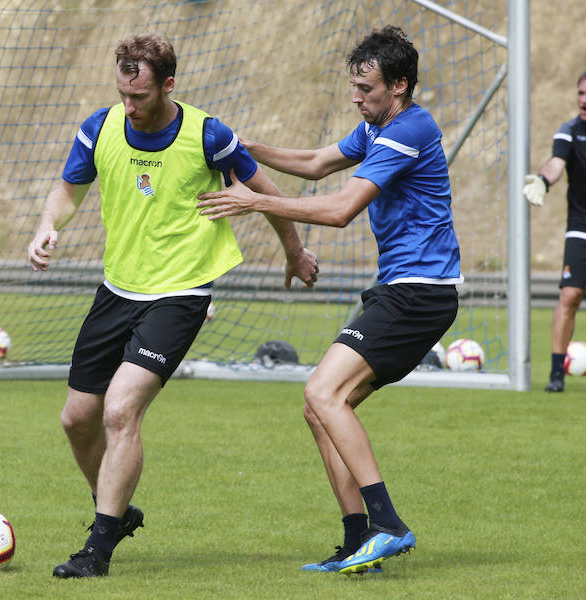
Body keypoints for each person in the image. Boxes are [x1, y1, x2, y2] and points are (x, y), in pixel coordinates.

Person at [27, 32, 318, 578]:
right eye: (122, 94)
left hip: (181, 293)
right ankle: (116, 508)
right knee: (77, 420)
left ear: (168, 85)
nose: (129, 106)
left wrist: (294, 251)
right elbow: (67, 191)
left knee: (120, 410)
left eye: (139, 96)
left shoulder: (209, 135)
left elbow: (268, 191)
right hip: (117, 289)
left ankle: (98, 550)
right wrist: (47, 226)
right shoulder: (99, 127)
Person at [197, 25, 462, 574]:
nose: (356, 97)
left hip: (419, 293)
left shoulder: (407, 130)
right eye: (354, 86)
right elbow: (316, 162)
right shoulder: (378, 126)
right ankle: (357, 539)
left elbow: (341, 208)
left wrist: (253, 202)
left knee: (322, 391)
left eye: (366, 88)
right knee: (320, 408)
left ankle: (389, 524)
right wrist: (242, 149)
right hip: (404, 290)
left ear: (399, 87)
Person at [523, 70, 586, 392]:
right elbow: (557, 163)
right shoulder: (570, 131)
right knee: (569, 294)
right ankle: (556, 375)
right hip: (581, 227)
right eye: (580, 94)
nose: (584, 100)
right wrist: (543, 181)